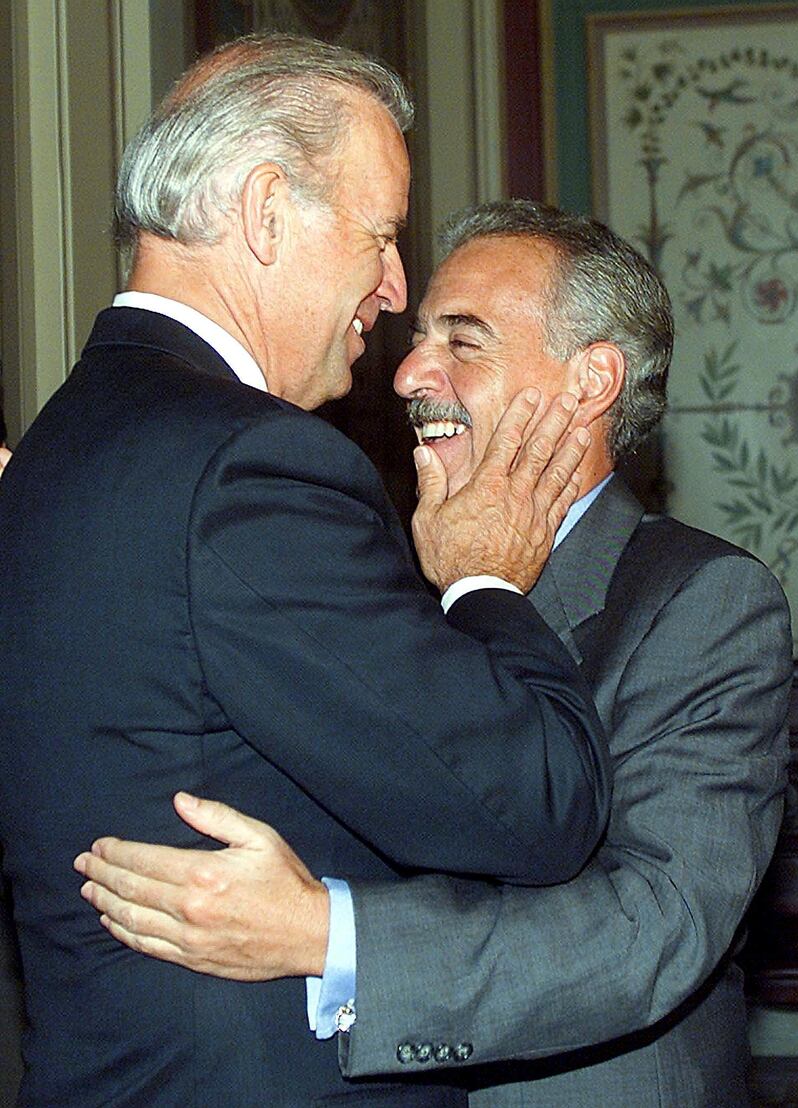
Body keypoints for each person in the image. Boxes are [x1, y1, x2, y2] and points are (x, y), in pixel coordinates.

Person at [0, 39, 611, 1108]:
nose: (392, 285)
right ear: (266, 210)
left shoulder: (56, 446)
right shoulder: (250, 464)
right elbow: (535, 802)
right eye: (379, 235)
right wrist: (482, 582)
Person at [78, 201, 793, 1107]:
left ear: (590, 383)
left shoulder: (703, 601)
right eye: (418, 338)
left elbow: (649, 930)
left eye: (465, 341)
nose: (410, 370)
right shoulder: (378, 578)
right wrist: (72, 512)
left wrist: (327, 936)